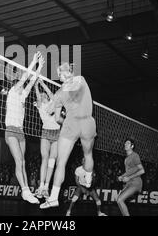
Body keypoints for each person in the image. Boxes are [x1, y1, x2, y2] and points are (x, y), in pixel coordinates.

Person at [40, 62, 96, 209]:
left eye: (59, 73)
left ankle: (53, 198)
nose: (59, 76)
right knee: (88, 155)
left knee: (61, 163)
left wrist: (50, 105)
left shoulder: (60, 92)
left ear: (65, 73)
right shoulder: (81, 79)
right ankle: (88, 177)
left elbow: (56, 117)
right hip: (87, 123)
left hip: (71, 124)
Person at [5, 52, 44, 204]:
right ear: (15, 86)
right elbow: (25, 78)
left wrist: (40, 66)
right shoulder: (13, 93)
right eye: (19, 85)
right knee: (19, 160)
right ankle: (26, 191)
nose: (22, 87)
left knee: (23, 163)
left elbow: (32, 80)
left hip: (20, 132)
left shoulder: (22, 96)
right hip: (10, 130)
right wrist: (33, 62)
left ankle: (26, 191)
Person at [34, 78, 60, 199]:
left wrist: (42, 83)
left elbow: (50, 94)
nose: (43, 95)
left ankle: (46, 187)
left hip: (56, 133)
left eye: (44, 95)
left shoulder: (52, 103)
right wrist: (35, 85)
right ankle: (41, 185)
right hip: (45, 132)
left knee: (52, 160)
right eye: (41, 95)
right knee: (44, 158)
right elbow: (38, 96)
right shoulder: (40, 105)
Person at [116, 139, 145, 216]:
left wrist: (129, 178)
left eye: (128, 143)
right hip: (129, 182)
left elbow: (142, 170)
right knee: (118, 200)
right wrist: (122, 176)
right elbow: (130, 171)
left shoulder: (135, 156)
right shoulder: (126, 158)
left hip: (136, 182)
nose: (125, 144)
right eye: (125, 143)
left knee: (120, 200)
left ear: (132, 146)